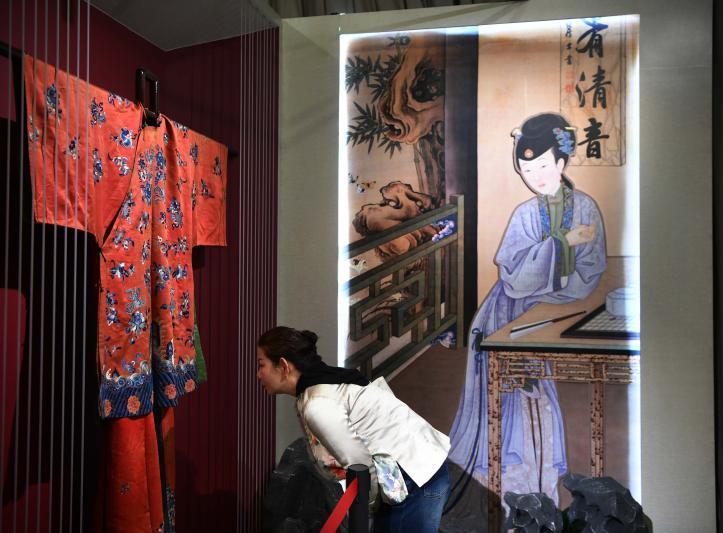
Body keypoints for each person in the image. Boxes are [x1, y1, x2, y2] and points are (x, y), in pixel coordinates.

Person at [446, 113, 607, 518]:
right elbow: (514, 276)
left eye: (542, 167)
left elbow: (592, 269)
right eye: (527, 169)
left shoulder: (586, 208)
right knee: (511, 400)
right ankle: (506, 495)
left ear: (561, 162)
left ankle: (537, 491)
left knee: (539, 401)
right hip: (505, 315)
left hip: (555, 313)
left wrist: (558, 288)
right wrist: (562, 243)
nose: (535, 177)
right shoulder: (524, 214)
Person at [256, 326, 451, 532]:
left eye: (261, 365)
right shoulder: (323, 386)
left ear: (284, 366)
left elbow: (359, 465)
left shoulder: (318, 404)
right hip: (410, 473)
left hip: (412, 478)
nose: (258, 374)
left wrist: (364, 511)